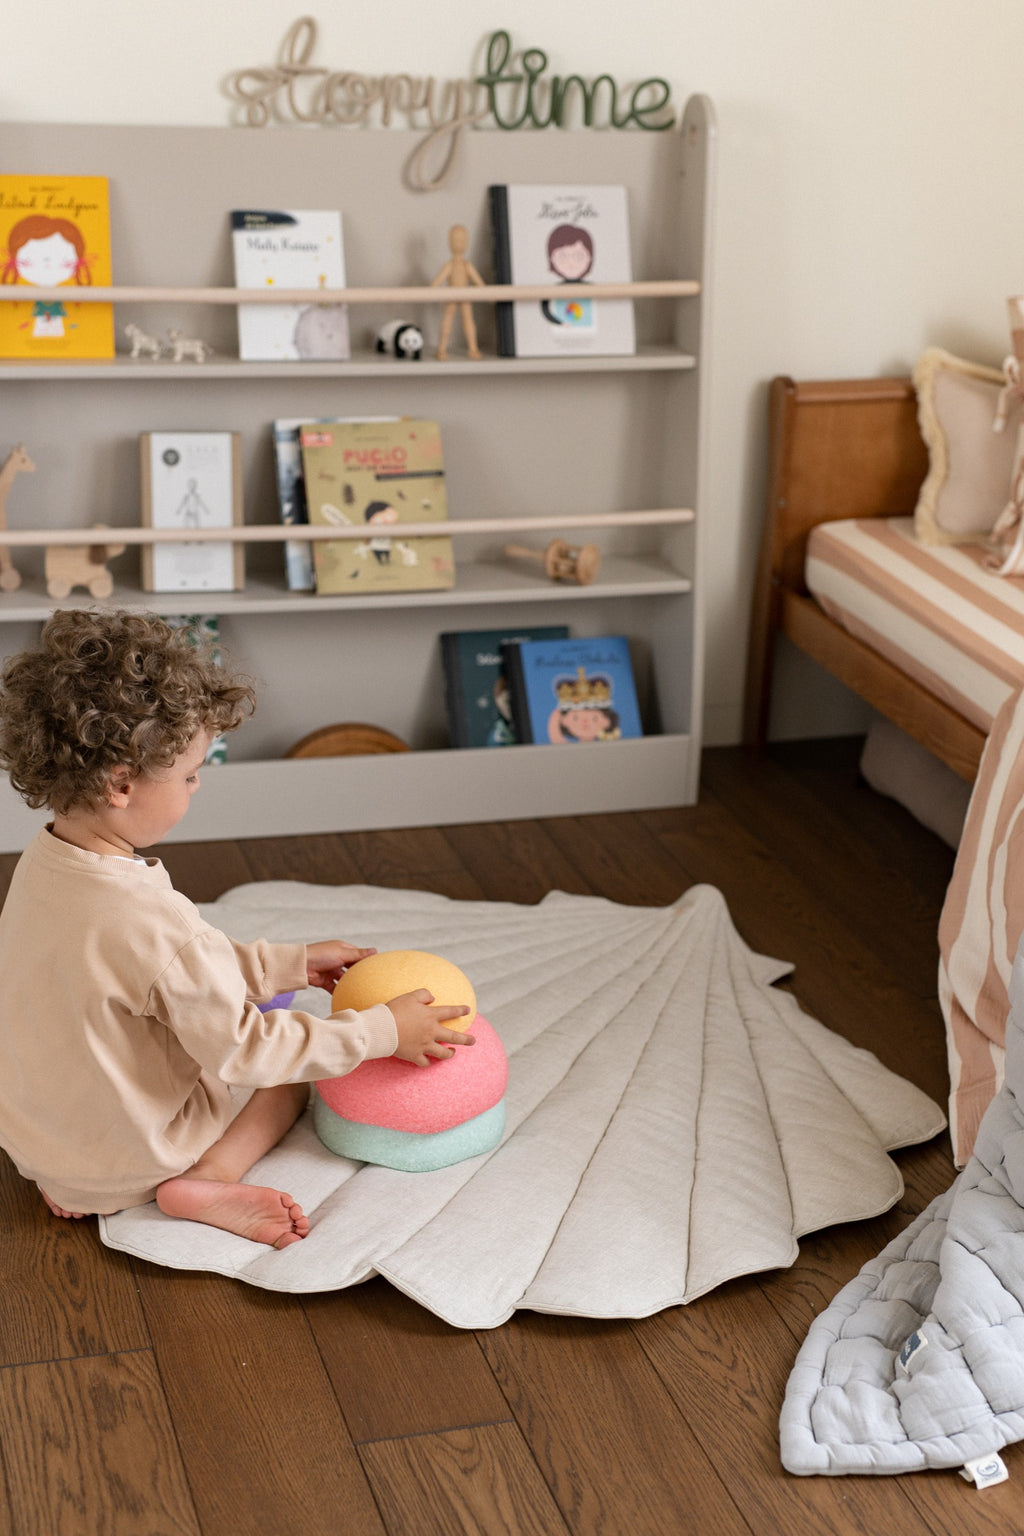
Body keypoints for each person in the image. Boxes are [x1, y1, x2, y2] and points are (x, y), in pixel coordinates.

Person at [0, 609, 473, 1249]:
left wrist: (286, 964)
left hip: (39, 1154)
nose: (196, 788)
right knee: (290, 1078)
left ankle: (81, 1179)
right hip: (137, 1158)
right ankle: (206, 1178)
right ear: (121, 783)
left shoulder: (41, 863)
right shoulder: (153, 919)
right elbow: (244, 1050)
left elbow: (148, 975)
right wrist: (382, 1030)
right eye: (191, 776)